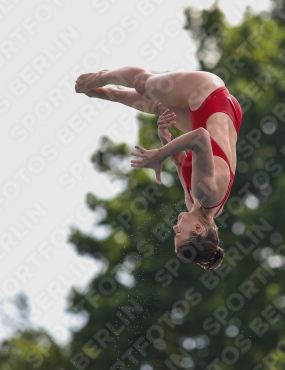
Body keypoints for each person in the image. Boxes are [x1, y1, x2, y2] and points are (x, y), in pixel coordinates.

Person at [75, 67, 243, 270]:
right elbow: (200, 137)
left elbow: (183, 163)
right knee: (143, 85)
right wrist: (159, 154)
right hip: (207, 94)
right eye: (179, 233)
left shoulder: (197, 203)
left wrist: (165, 136)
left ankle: (106, 93)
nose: (175, 227)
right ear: (198, 229)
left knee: (158, 107)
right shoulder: (205, 194)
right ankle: (102, 76)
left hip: (223, 114)